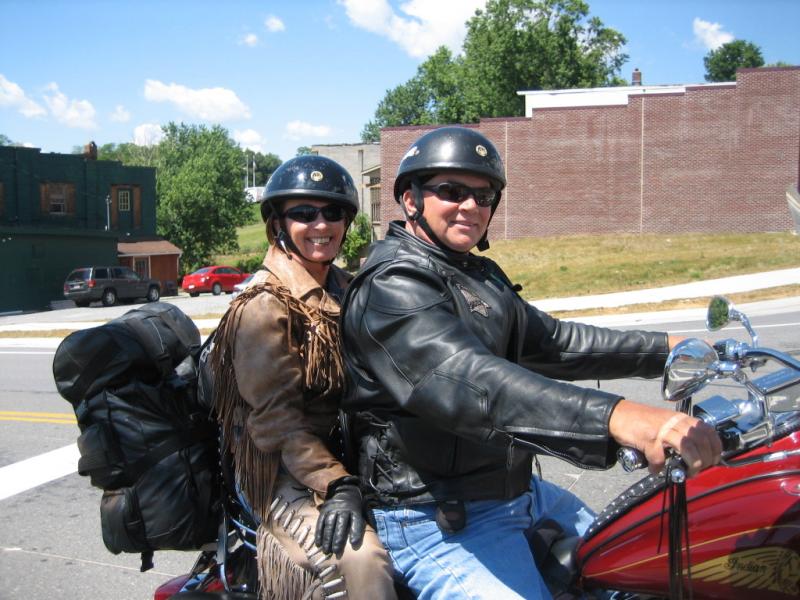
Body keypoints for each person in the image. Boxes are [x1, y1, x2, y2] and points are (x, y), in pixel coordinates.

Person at [339, 126, 722, 599]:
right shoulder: (393, 285)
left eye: (483, 195)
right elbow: (469, 382)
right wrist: (622, 417)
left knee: (645, 565)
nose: (470, 206)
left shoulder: (474, 273)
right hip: (435, 517)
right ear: (411, 199)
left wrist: (666, 347)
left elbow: (556, 341)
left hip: (518, 494)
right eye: (451, 191)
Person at [210, 155, 397, 600]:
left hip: (348, 456)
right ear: (278, 224)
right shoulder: (263, 304)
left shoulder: (347, 289)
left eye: (332, 212)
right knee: (362, 561)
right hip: (281, 474)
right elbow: (277, 422)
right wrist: (336, 483)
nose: (320, 224)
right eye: (303, 214)